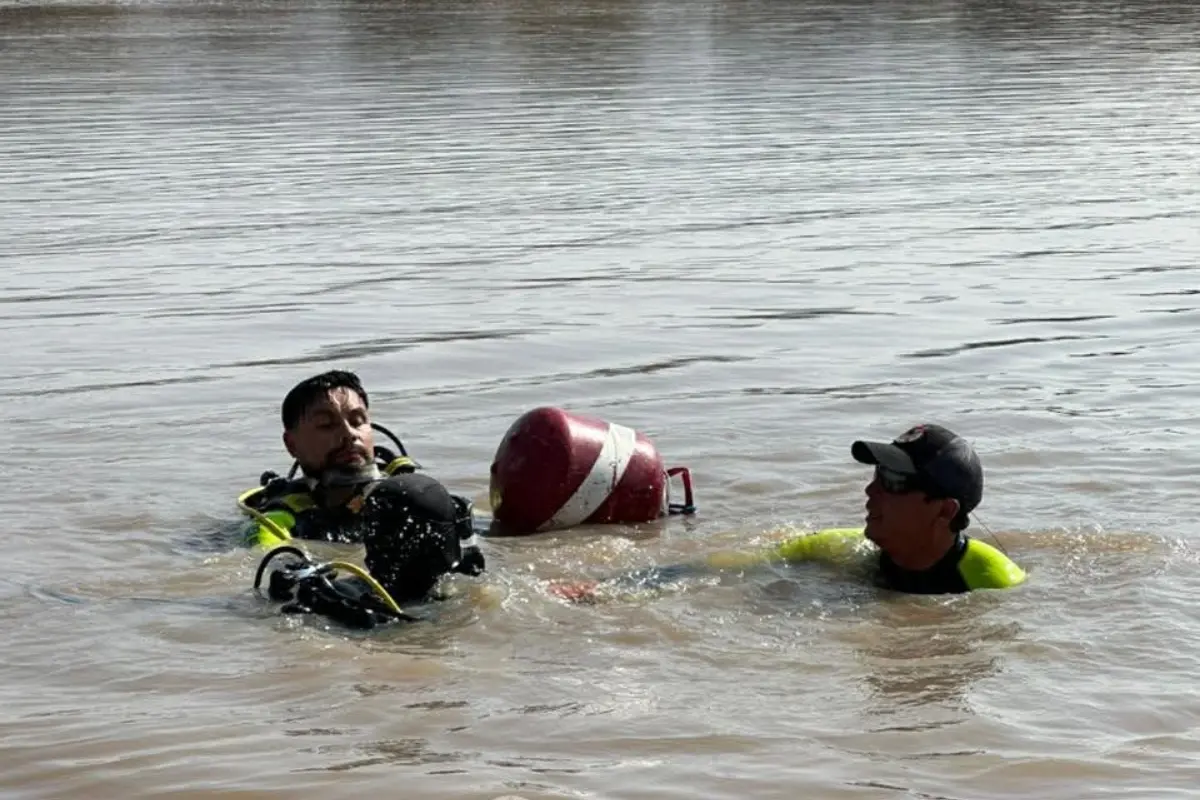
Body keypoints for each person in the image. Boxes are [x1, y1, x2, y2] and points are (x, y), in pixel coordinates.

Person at [550, 423, 1026, 601]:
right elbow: (719, 568)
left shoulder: (993, 582)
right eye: (876, 474)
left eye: (893, 481)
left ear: (944, 511)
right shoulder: (842, 549)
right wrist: (613, 588)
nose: (871, 490)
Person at [239, 370, 485, 612]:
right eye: (326, 425)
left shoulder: (415, 500)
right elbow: (268, 559)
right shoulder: (280, 520)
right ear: (291, 444)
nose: (349, 434)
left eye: (357, 421)